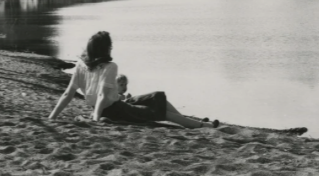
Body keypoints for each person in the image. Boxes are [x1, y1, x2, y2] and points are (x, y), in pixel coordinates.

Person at [48, 31, 217, 128]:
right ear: (105, 49)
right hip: (116, 110)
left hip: (115, 105)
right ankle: (202, 127)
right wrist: (95, 120)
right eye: (110, 45)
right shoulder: (109, 67)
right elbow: (102, 96)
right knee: (161, 113)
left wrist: (52, 117)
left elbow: (67, 94)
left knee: (156, 96)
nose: (111, 47)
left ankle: (190, 123)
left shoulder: (81, 65)